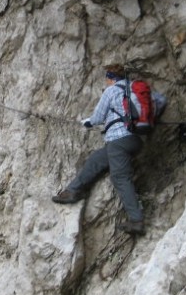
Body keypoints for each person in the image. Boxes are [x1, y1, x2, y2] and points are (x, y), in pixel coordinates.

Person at [52, 64, 146, 235]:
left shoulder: (111, 91)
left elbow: (98, 116)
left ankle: (136, 221)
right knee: (97, 159)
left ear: (110, 78)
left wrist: (87, 122)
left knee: (120, 177)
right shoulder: (133, 90)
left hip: (118, 140)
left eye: (107, 78)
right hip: (133, 139)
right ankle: (73, 191)